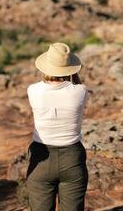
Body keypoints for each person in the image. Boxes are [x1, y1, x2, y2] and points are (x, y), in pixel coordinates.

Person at [25, 43, 88, 211]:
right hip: (72, 158)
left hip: (41, 157)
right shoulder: (81, 91)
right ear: (70, 69)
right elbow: (76, 86)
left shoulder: (33, 90)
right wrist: (73, 74)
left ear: (46, 66)